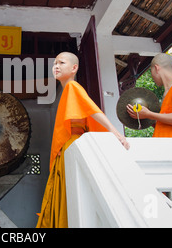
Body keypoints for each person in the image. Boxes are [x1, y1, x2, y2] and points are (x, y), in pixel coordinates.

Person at [37, 52, 129, 228]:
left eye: (61, 63)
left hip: (72, 144)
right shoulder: (66, 91)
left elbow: (92, 110)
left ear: (74, 68)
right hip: (69, 146)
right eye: (54, 63)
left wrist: (114, 132)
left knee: (65, 194)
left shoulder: (73, 87)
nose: (56, 66)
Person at [126, 53, 172, 137]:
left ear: (156, 68)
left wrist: (149, 114)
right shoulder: (166, 93)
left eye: (151, 72)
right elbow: (167, 126)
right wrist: (145, 117)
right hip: (164, 144)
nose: (153, 77)